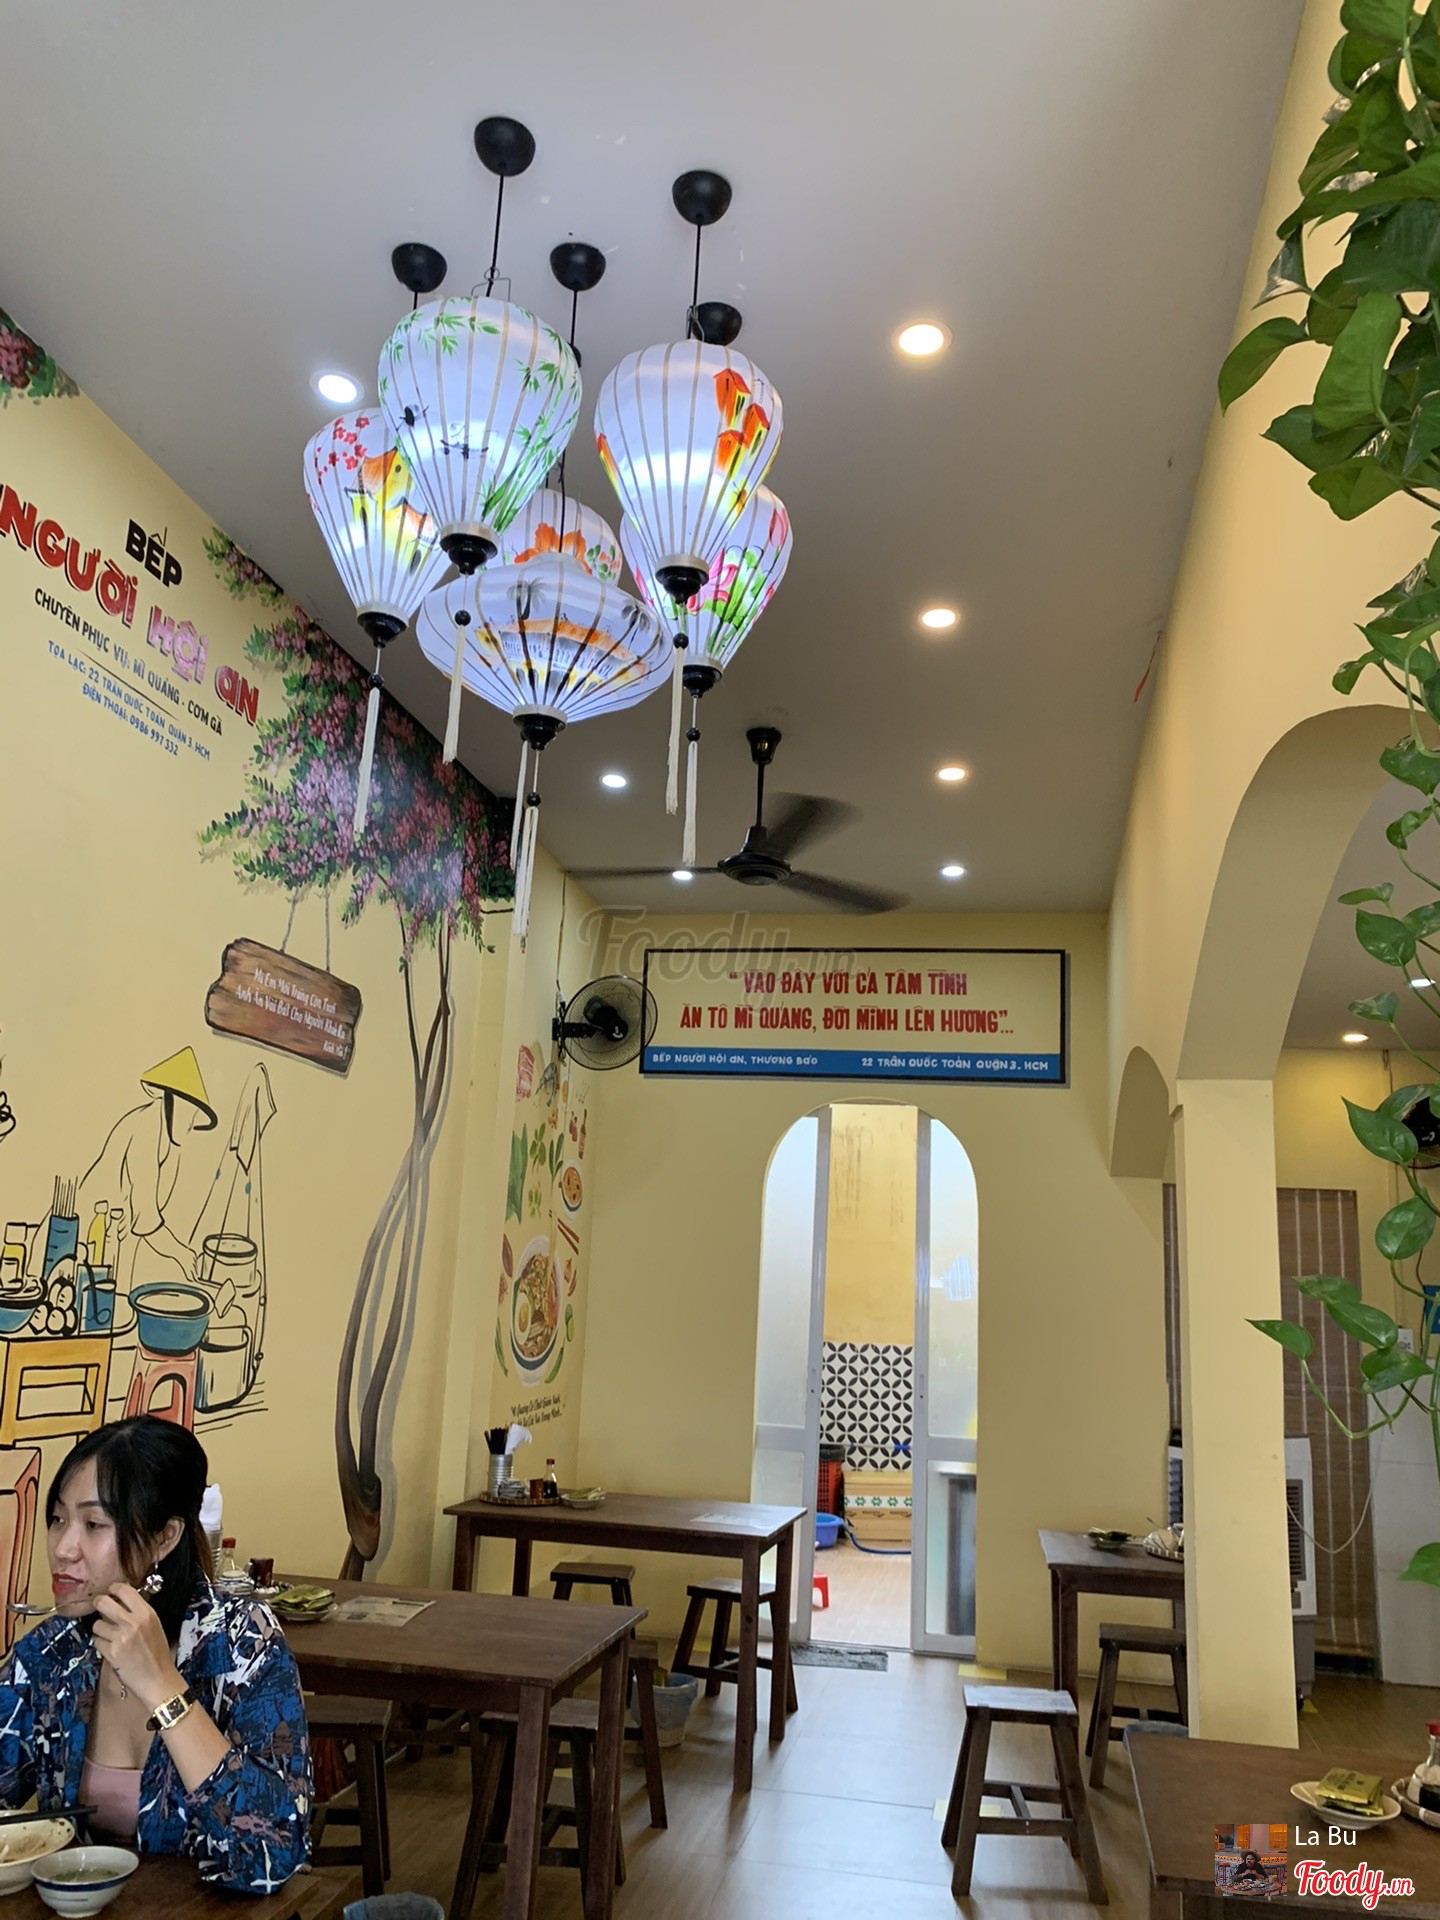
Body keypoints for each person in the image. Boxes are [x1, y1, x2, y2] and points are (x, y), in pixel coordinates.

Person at [0, 1417, 311, 1894]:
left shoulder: (242, 1643)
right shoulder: (52, 1653)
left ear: (165, 1537)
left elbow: (276, 1849)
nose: (63, 1548)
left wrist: (162, 1687)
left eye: (94, 1524)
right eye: (58, 1519)